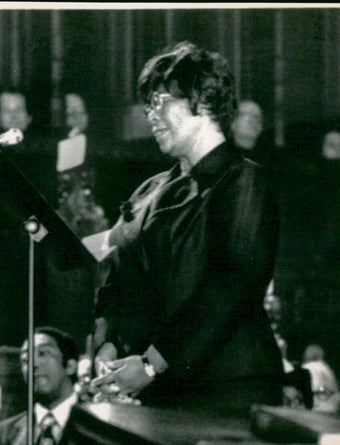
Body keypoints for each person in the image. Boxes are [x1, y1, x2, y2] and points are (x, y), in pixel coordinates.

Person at [90, 41, 283, 413]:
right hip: (159, 392)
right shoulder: (148, 191)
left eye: (160, 101)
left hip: (228, 391)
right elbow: (112, 276)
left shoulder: (243, 182)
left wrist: (150, 364)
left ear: (202, 101)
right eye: (148, 105)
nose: (150, 114)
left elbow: (228, 289)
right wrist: (107, 344)